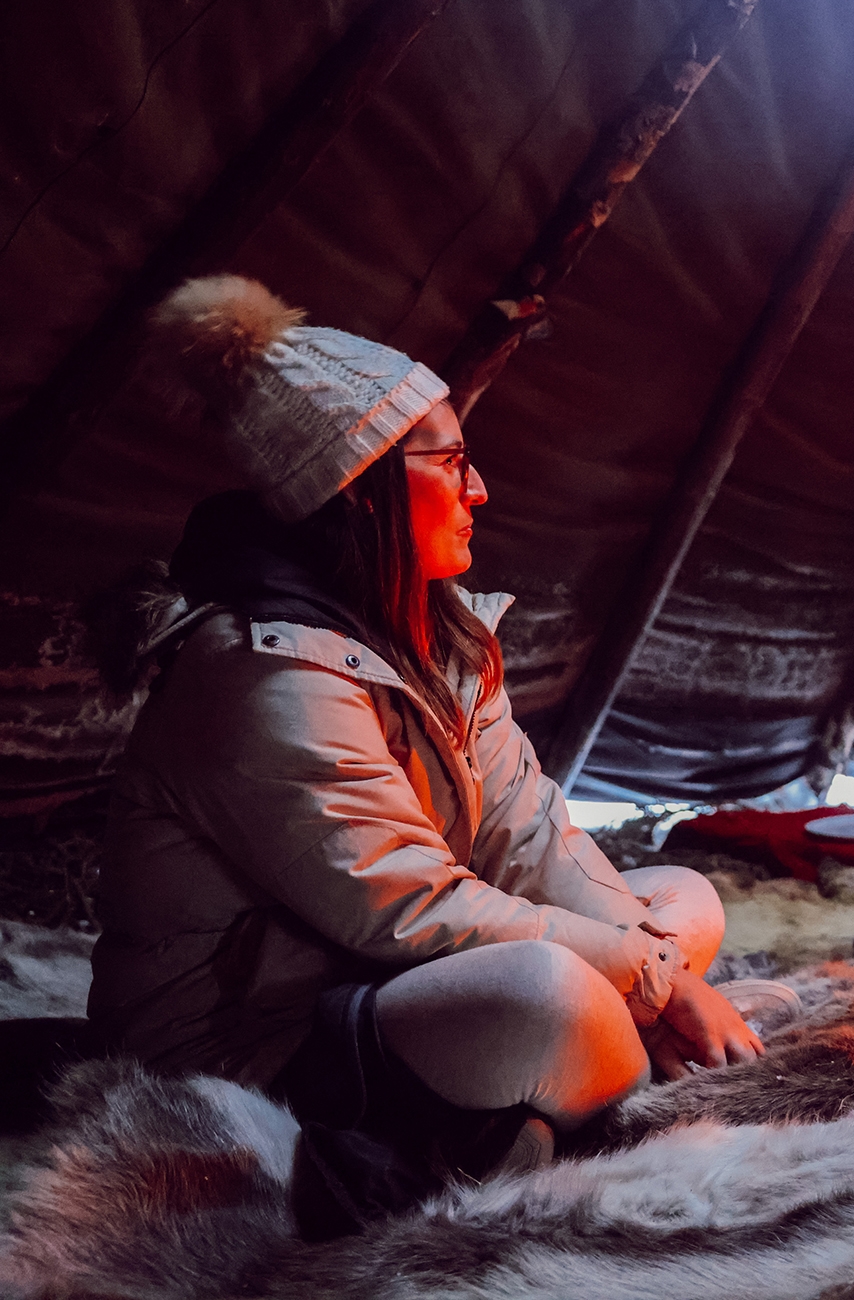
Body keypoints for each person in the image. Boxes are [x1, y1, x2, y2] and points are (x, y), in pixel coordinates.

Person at [87, 275, 764, 1235]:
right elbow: (408, 904)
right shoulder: (256, 676)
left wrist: (656, 965)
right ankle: (537, 1105)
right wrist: (654, 983)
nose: (479, 487)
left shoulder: (435, 639)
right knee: (553, 996)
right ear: (359, 491)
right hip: (248, 1039)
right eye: (451, 461)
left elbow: (531, 836)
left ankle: (520, 1114)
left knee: (684, 897)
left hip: (373, 983)